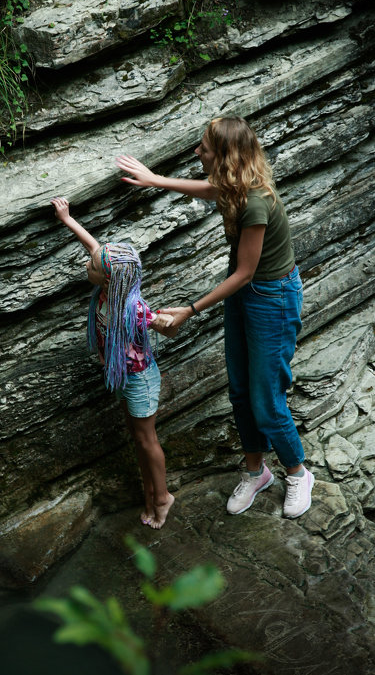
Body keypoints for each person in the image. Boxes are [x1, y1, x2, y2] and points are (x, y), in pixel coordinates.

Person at [115, 115, 314, 519]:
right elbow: (212, 190)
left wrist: (189, 311)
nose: (196, 152)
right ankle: (256, 472)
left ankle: (297, 471)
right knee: (240, 390)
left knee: (265, 395)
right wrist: (156, 181)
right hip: (246, 293)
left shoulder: (256, 202)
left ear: (222, 155)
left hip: (271, 297)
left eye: (203, 147)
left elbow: (244, 273)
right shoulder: (235, 185)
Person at [50, 196, 177, 529]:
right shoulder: (110, 289)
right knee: (137, 436)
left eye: (92, 268)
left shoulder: (132, 309)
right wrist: (67, 218)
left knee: (147, 439)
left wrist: (168, 319)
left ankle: (162, 497)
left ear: (107, 279)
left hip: (139, 379)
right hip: (120, 375)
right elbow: (95, 248)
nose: (87, 267)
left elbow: (161, 323)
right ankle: (149, 490)